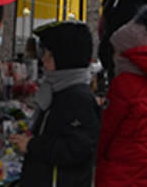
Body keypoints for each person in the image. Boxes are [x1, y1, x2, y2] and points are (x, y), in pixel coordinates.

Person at [17, 22, 101, 187]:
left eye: (49, 53)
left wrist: (32, 145)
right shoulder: (56, 89)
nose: (43, 59)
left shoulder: (79, 98)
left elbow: (76, 149)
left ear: (65, 57)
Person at [97, 6, 147, 187]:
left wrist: (98, 156)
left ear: (126, 54)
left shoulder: (123, 84)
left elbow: (108, 129)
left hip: (122, 170)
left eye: (116, 51)